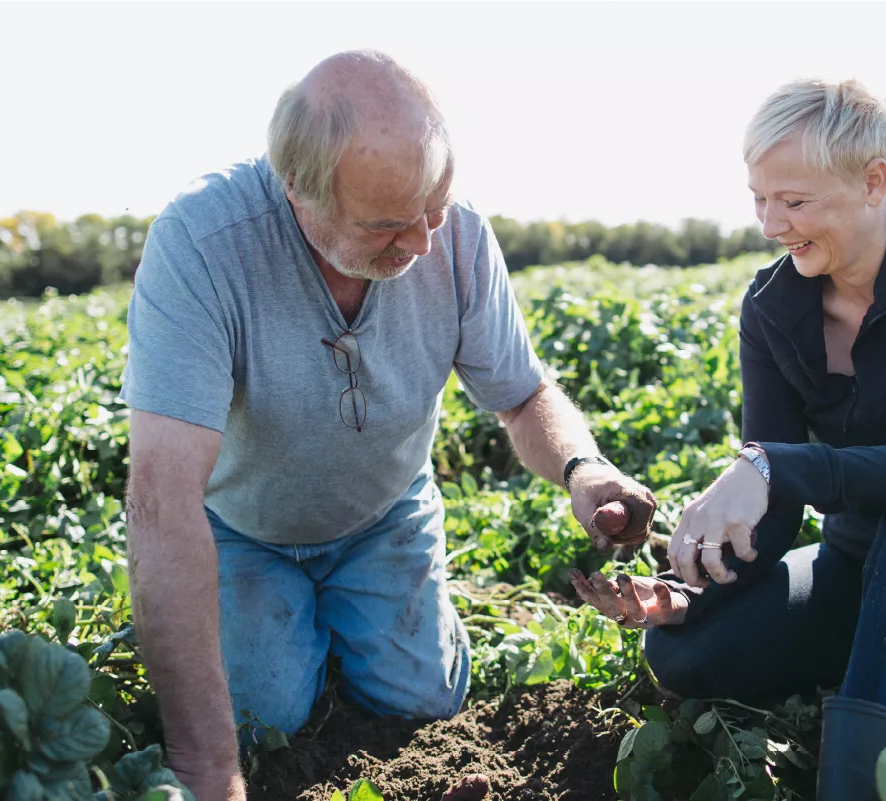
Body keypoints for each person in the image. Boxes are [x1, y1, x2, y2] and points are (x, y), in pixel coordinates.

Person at [121, 50, 657, 801]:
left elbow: (520, 392)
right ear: (295, 194)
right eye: (385, 226)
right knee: (260, 719)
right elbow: (161, 498)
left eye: (431, 210)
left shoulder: (459, 236)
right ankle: (286, 634)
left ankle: (356, 621)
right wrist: (207, 770)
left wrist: (583, 468)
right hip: (241, 528)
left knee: (424, 700)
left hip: (384, 515)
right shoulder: (204, 246)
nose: (423, 244)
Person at [570, 78, 886, 800]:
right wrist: (696, 592)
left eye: (793, 200)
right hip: (862, 566)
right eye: (758, 197)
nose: (769, 223)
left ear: (873, 181)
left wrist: (773, 465)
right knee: (681, 646)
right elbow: (777, 513)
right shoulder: (769, 306)